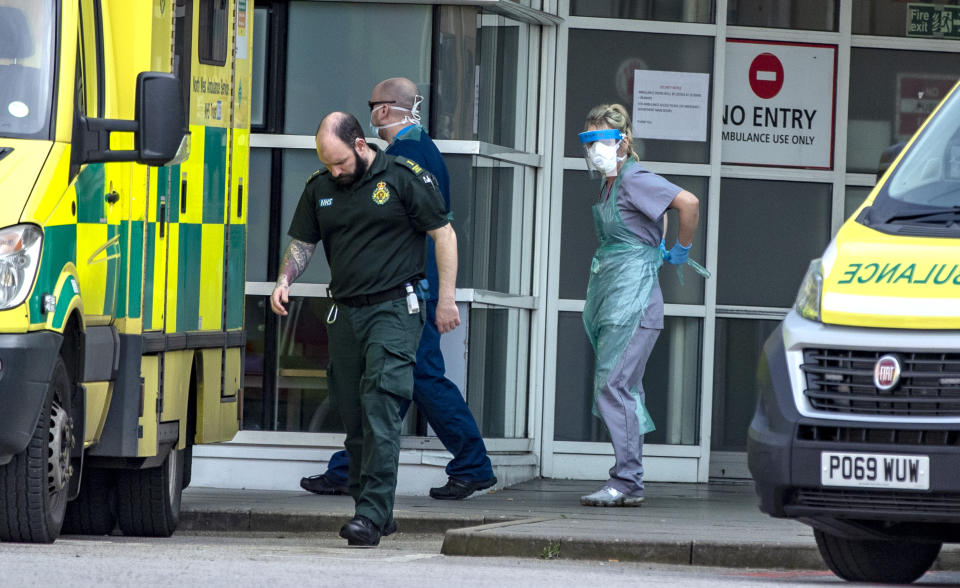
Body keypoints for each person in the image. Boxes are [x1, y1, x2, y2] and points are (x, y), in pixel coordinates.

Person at [299, 78, 497, 501]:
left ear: (384, 110)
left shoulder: (403, 158)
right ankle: (353, 466)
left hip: (405, 293)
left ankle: (472, 463)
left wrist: (442, 297)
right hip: (410, 289)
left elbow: (437, 231)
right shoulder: (424, 150)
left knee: (415, 378)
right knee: (387, 385)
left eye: (372, 105)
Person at [271, 112, 459, 546]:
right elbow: (303, 242)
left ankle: (371, 515)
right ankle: (373, 509)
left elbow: (443, 234)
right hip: (346, 313)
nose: (334, 171)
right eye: (327, 163)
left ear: (359, 145)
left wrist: (445, 298)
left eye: (339, 162)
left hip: (395, 308)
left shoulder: (403, 175)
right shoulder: (320, 187)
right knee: (353, 415)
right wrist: (284, 281)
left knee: (380, 404)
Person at [576, 103, 703, 507]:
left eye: (602, 140)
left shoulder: (634, 179)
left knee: (615, 387)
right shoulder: (612, 184)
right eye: (589, 140)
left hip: (634, 303)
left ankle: (627, 481)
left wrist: (680, 249)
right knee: (621, 387)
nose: (595, 148)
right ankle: (627, 480)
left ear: (622, 142)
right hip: (619, 297)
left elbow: (688, 203)